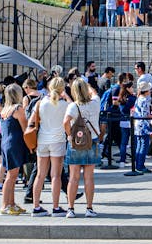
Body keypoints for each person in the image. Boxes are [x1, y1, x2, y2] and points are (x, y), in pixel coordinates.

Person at [30, 75, 67, 216]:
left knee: (40, 174)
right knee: (56, 175)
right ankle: (56, 207)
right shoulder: (64, 104)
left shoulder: (41, 102)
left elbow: (32, 120)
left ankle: (36, 206)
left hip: (42, 140)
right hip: (57, 140)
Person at [63, 77, 101, 216]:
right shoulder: (95, 103)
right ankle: (89, 208)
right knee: (89, 177)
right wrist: (88, 86)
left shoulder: (73, 106)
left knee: (73, 177)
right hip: (92, 141)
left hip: (77, 142)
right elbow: (95, 93)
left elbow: (65, 122)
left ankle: (70, 208)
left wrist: (70, 135)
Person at [0, 83, 28, 215]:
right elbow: (25, 128)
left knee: (12, 175)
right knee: (11, 176)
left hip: (5, 143)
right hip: (14, 144)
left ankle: (12, 203)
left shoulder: (5, 109)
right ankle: (5, 205)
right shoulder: (18, 108)